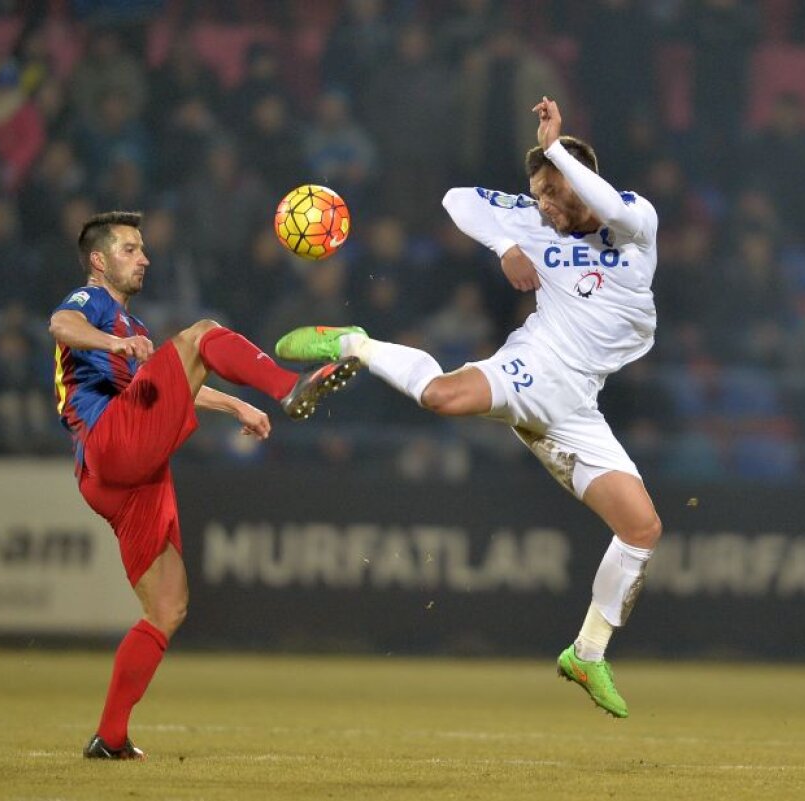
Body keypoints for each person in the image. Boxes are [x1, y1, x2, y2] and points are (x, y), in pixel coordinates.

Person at [276, 97, 662, 719]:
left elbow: (609, 204)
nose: (546, 206)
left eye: (555, 194)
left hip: (578, 406)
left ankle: (586, 653)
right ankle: (352, 342)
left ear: (580, 179)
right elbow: (458, 199)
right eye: (537, 194)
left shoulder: (635, 220)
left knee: (641, 531)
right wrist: (508, 241)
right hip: (538, 362)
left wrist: (558, 148)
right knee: (441, 396)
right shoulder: (536, 223)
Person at [50, 211, 359, 760]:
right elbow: (59, 327)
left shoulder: (138, 332)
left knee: (167, 607)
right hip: (110, 444)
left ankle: (110, 736)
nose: (143, 257)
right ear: (99, 261)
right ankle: (289, 387)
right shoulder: (91, 302)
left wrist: (237, 402)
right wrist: (113, 346)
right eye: (129, 249)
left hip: (122, 478)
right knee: (205, 333)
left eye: (143, 248)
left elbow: (179, 389)